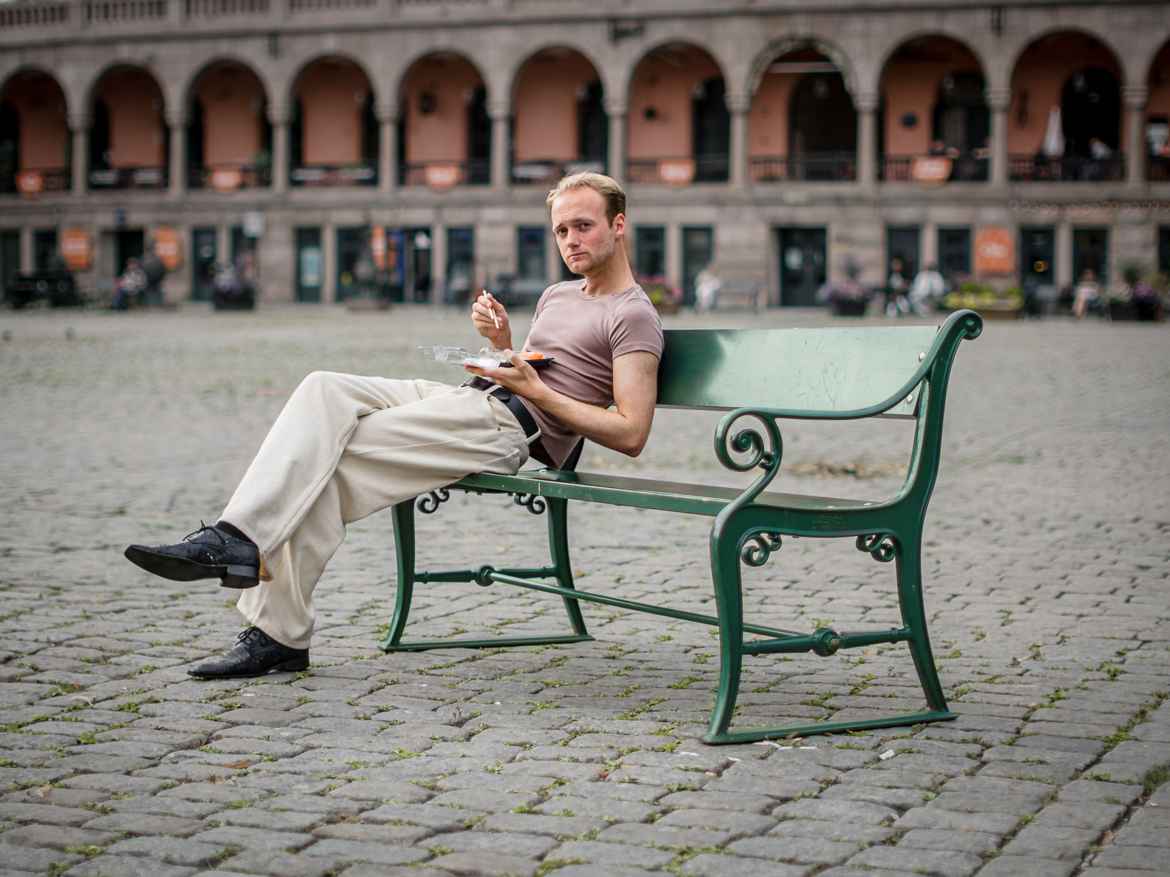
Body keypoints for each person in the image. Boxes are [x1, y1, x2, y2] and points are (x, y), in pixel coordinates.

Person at [123, 172, 664, 679]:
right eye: (561, 230)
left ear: (619, 225)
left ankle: (270, 621)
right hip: (471, 400)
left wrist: (534, 389)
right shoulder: (558, 294)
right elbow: (535, 365)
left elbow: (631, 432)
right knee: (323, 389)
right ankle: (241, 547)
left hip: (503, 427)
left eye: (583, 226)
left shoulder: (632, 314)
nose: (570, 241)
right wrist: (502, 344)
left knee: (329, 459)